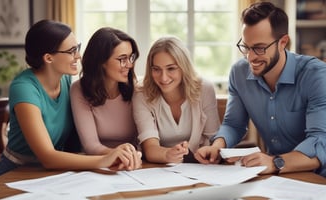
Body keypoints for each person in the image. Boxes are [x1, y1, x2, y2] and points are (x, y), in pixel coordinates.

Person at [195, 2, 326, 177]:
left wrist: (275, 162)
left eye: (259, 48)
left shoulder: (315, 75)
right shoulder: (238, 73)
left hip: (318, 176)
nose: (250, 57)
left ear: (283, 42)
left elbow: (320, 142)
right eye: (246, 47)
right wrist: (217, 147)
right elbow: (234, 124)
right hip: (278, 175)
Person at [0, 20, 141, 176]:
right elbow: (47, 157)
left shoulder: (65, 81)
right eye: (72, 51)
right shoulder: (24, 88)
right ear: (48, 58)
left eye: (77, 48)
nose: (78, 56)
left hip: (57, 168)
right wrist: (105, 159)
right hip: (18, 169)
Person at [132, 36, 220, 164]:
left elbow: (214, 139)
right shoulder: (141, 94)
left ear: (183, 67)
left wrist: (212, 152)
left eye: (171, 68)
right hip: (159, 166)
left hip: (200, 165)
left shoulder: (204, 89)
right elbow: (150, 148)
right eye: (156, 69)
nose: (163, 77)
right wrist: (168, 155)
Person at [70, 27, 142, 160]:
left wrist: (132, 156)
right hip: (96, 164)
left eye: (131, 57)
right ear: (101, 61)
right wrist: (119, 155)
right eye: (122, 59)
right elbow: (91, 146)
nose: (129, 65)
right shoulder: (79, 89)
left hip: (133, 162)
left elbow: (141, 142)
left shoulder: (137, 90)